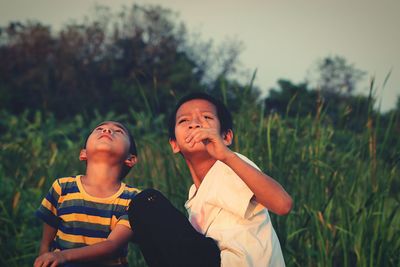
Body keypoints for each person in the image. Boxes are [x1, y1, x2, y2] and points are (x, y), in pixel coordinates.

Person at [128, 92, 293, 267]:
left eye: (206, 117)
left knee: (147, 202)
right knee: (142, 212)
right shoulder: (194, 195)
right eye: (184, 120)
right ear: (174, 144)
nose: (195, 123)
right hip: (214, 259)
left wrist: (226, 155)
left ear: (226, 137)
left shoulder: (231, 164)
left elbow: (282, 204)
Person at [34, 121, 139, 267]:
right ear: (83, 153)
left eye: (119, 131)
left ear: (130, 159)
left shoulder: (133, 199)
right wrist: (45, 258)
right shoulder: (62, 187)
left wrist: (63, 256)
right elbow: (46, 243)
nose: (107, 130)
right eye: (99, 129)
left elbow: (113, 245)